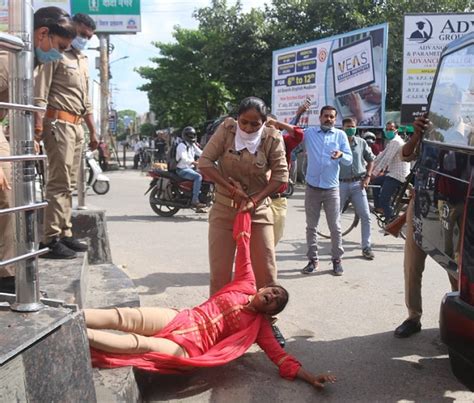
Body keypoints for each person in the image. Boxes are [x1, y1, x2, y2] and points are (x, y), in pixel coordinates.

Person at [85, 212, 337, 390]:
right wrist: (244, 209)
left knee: (139, 344)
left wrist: (310, 377)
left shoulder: (259, 327)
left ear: (271, 311)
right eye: (273, 292)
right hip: (184, 318)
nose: (272, 296)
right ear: (263, 288)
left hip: (191, 348)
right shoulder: (245, 282)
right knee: (124, 317)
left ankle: (79, 334)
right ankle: (77, 316)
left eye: (275, 301)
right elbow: (243, 245)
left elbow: (280, 357)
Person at [198, 97, 288, 345]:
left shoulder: (272, 137)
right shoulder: (226, 130)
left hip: (258, 211)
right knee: (220, 274)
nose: (248, 128)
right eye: (244, 122)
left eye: (254, 124)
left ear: (264, 122)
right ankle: (218, 324)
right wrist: (230, 188)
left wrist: (254, 199)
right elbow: (204, 162)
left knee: (266, 273)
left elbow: (281, 177)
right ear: (237, 118)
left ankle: (267, 325)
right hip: (225, 210)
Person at [0, 7, 76, 292]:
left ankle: (8, 270)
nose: (58, 54)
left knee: (13, 194)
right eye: (59, 47)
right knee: (7, 193)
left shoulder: (26, 61)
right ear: (43, 33)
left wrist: (26, 135)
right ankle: (6, 274)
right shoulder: (8, 60)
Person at [34, 12, 98, 259]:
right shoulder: (55, 53)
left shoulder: (82, 60)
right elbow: (41, 92)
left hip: (76, 126)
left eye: (88, 37)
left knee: (70, 185)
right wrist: (38, 129)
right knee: (58, 184)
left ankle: (65, 232)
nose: (83, 39)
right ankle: (49, 239)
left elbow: (86, 101)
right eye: (81, 34)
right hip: (57, 123)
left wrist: (93, 131)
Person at [394, 116, 458, 338]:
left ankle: (459, 314)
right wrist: (417, 134)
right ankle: (413, 317)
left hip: (454, 206)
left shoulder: (466, 131)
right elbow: (404, 155)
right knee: (412, 265)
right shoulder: (426, 130)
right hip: (422, 203)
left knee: (455, 266)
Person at [301, 105, 352, 276]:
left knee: (335, 227)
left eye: (332, 117)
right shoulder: (309, 133)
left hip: (331, 189)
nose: (328, 119)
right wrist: (300, 112)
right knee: (311, 227)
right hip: (312, 188)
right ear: (320, 117)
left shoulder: (340, 135)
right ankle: (312, 260)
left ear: (335, 119)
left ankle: (337, 260)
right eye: (326, 116)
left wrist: (341, 155)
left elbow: (349, 160)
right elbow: (291, 132)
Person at [266, 106, 307, 245]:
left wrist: (277, 123)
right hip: (258, 199)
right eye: (265, 126)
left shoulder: (284, 142)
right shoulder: (255, 143)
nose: (269, 130)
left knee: (274, 239)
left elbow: (299, 134)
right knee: (259, 240)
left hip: (278, 199)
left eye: (271, 127)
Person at [339, 118, 375, 260]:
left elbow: (371, 159)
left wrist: (368, 176)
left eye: (352, 126)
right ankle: (337, 247)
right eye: (348, 126)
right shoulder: (337, 142)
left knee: (366, 216)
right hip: (340, 184)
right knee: (336, 216)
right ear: (342, 127)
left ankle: (366, 247)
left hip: (357, 184)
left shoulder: (361, 142)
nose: (350, 129)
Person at [371, 121, 410, 221]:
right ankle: (379, 208)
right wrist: (369, 167)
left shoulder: (396, 142)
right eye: (386, 129)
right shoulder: (391, 142)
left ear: (396, 130)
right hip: (392, 173)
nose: (388, 131)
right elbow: (381, 156)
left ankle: (391, 220)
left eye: (391, 129)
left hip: (397, 175)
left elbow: (386, 160)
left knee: (384, 199)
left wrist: (374, 173)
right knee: (375, 182)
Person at [175, 126, 205, 209]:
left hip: (190, 168)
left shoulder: (192, 145)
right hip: (182, 169)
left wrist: (211, 157)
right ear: (185, 135)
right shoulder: (182, 145)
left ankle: (201, 199)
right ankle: (195, 200)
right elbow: (184, 158)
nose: (191, 137)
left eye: (193, 135)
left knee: (205, 174)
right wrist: (194, 162)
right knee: (198, 177)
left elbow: (201, 153)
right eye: (190, 135)